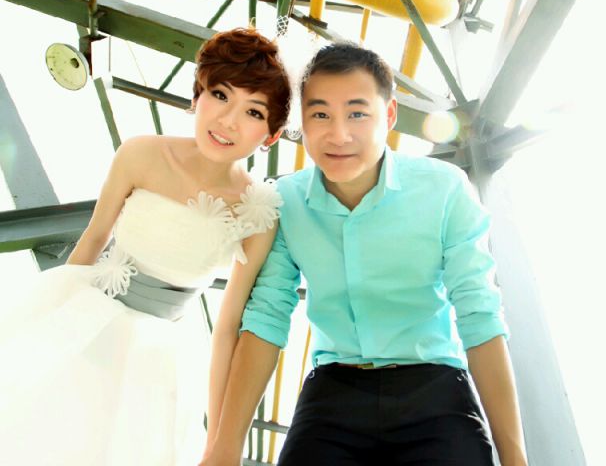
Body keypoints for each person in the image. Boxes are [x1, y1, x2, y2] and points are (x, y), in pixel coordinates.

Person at [206, 43, 528, 466]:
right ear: (302, 121)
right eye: (321, 115)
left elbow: (479, 315)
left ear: (389, 115)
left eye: (357, 114)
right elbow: (266, 318)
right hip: (332, 396)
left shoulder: (444, 189)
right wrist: (225, 447)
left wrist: (515, 459)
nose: (338, 135)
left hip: (435, 394)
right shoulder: (285, 201)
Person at [0, 28, 291, 466]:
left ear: (270, 135)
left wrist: (218, 442)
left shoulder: (257, 212)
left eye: (253, 111)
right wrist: (54, 329)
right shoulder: (141, 154)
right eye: (220, 94)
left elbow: (228, 327)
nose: (228, 121)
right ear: (197, 94)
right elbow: (92, 241)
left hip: (157, 359)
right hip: (90, 314)